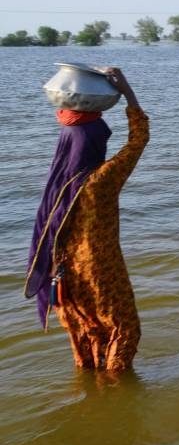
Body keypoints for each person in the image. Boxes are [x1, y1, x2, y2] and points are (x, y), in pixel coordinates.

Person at [24, 68, 149, 372]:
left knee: (86, 335)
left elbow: (70, 117)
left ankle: (91, 400)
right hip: (100, 272)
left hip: (63, 274)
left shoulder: (58, 183)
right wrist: (128, 92)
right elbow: (139, 139)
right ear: (96, 145)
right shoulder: (101, 180)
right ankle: (118, 398)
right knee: (124, 331)